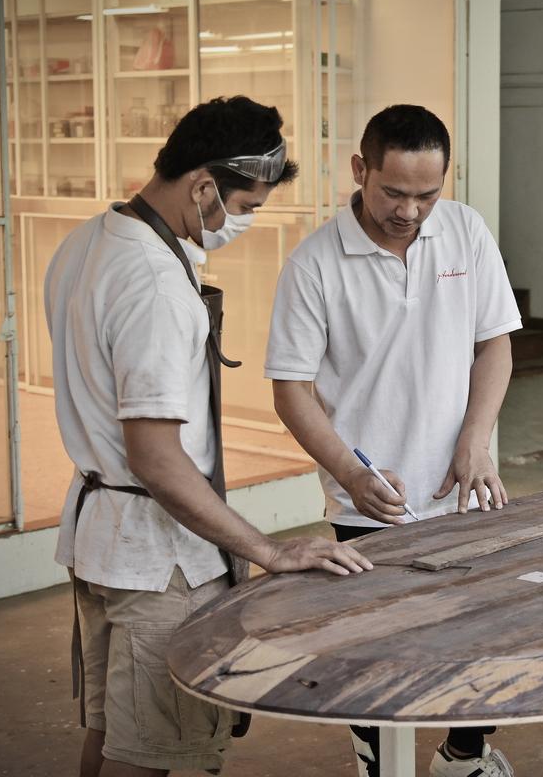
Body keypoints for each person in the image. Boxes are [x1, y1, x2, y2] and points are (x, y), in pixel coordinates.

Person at [45, 95, 374, 777]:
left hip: (99, 539)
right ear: (202, 186)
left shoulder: (89, 240)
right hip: (156, 559)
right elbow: (158, 460)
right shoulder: (157, 286)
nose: (242, 223)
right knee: (152, 749)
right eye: (245, 207)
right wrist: (266, 551)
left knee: (113, 736)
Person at [265, 104, 521, 777]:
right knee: (378, 655)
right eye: (394, 193)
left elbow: (495, 345)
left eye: (427, 195)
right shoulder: (314, 265)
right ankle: (378, 759)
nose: (410, 211)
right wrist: (350, 474)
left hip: (467, 487)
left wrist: (477, 439)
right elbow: (289, 389)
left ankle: (464, 755)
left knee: (487, 635)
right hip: (371, 501)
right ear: (360, 170)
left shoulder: (464, 230)